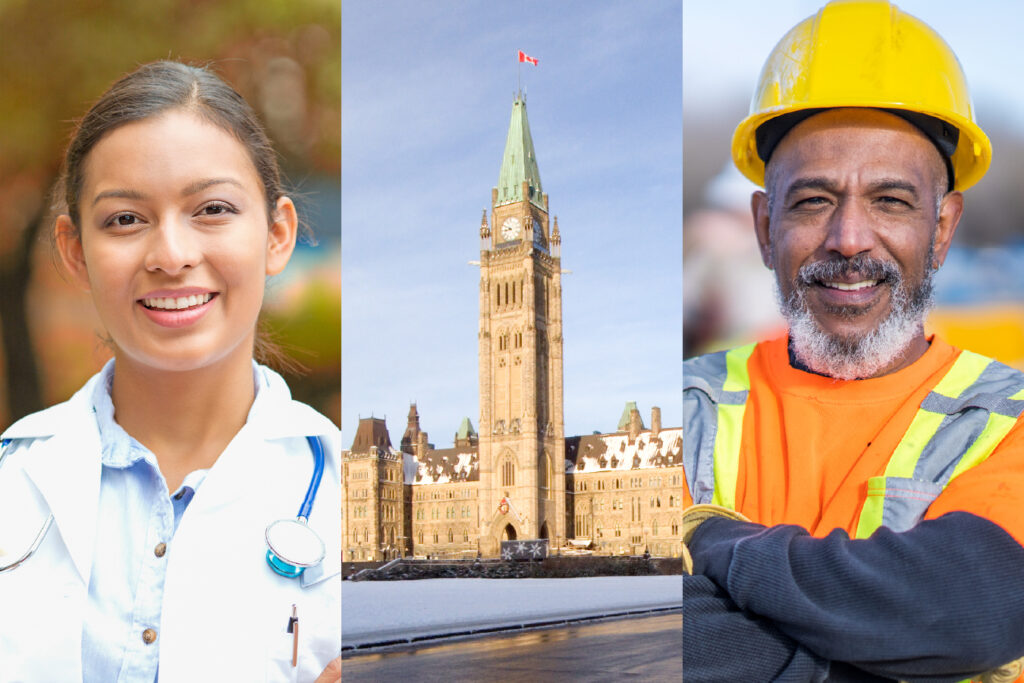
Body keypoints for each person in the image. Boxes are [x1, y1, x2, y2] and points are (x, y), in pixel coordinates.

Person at [683, 2, 1024, 681]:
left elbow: (976, 608)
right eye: (812, 200)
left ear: (944, 227)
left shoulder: (1007, 418)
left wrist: (710, 542)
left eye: (891, 201)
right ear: (763, 223)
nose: (847, 239)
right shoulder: (688, 405)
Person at [0, 61, 341, 682]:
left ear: (278, 235)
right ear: (76, 253)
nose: (172, 256)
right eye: (125, 219)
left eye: (211, 208)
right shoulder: (13, 483)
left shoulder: (346, 492)